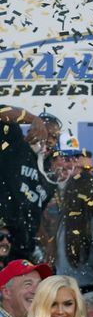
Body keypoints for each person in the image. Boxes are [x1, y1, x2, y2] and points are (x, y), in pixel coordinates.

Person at [0, 106, 61, 261]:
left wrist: (47, 242)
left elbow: (35, 214)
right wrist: (34, 119)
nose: (51, 140)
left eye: (55, 137)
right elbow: (1, 111)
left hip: (23, 247)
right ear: (33, 130)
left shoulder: (48, 176)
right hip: (3, 238)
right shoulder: (14, 145)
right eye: (47, 132)